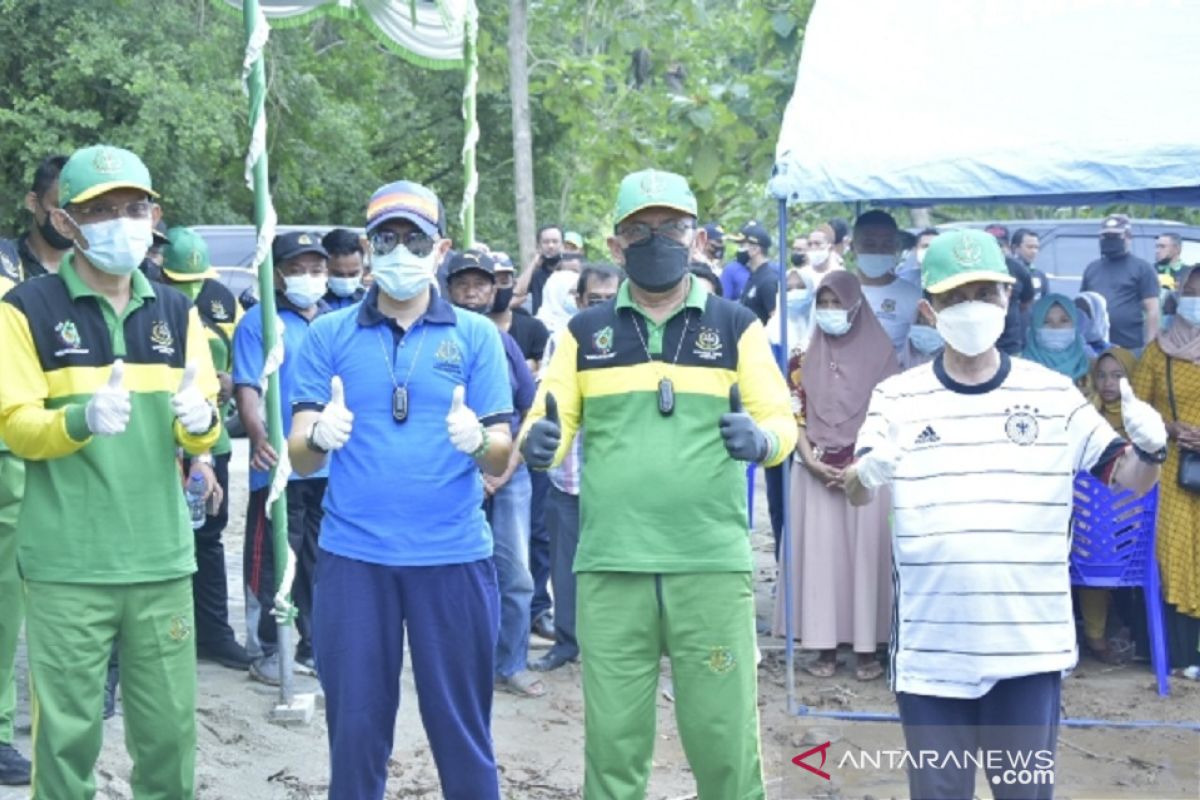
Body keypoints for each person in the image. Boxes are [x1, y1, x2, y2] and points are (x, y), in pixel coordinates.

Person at [845, 228, 1165, 799]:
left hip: (1027, 648)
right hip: (932, 648)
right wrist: (862, 476)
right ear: (929, 309)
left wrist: (1151, 451)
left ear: (1009, 298)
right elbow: (857, 489)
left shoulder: (1054, 395)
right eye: (954, 297)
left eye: (986, 293)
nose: (972, 308)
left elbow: (1128, 478)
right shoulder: (897, 397)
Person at [520, 169, 796, 798]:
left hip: (710, 566)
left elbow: (781, 420)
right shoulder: (583, 334)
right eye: (639, 230)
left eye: (670, 227)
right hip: (612, 566)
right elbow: (551, 417)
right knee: (613, 750)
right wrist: (542, 443)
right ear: (616, 247)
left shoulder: (736, 326)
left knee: (724, 744)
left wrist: (763, 441)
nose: (657, 240)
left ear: (695, 238)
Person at [0, 144, 223, 798]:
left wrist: (201, 423)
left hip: (160, 560)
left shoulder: (177, 312)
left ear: (155, 214)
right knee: (66, 740)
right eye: (100, 211)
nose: (120, 222)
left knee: (170, 737)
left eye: (133, 207)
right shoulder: (25, 310)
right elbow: (12, 422)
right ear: (65, 222)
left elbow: (200, 424)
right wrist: (77, 420)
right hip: (68, 564)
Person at [287, 179, 513, 799]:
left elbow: (502, 447)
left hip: (452, 556)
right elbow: (300, 456)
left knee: (462, 731)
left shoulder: (475, 335)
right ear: (367, 246)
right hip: (355, 559)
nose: (401, 251)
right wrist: (321, 436)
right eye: (388, 237)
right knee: (355, 731)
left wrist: (478, 441)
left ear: (440, 251)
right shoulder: (329, 334)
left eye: (416, 239)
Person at [775, 271, 898, 680]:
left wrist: (860, 463)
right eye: (823, 303)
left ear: (857, 306)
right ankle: (823, 647)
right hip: (813, 469)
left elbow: (891, 418)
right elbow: (793, 413)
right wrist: (810, 459)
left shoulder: (883, 354)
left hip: (867, 470)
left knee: (866, 558)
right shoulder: (801, 356)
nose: (830, 311)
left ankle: (868, 649)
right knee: (822, 560)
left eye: (838, 303)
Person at [0, 154, 75, 786]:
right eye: (58, 204)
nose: (68, 217)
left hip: (79, 456)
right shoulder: (3, 267)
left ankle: (59, 721)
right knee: (2, 602)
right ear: (35, 204)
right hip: (9, 452)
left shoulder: (97, 273)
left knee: (67, 602)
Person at [232, 231, 331, 682]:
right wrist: (258, 433)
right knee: (273, 556)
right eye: (297, 269)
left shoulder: (335, 320)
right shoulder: (261, 321)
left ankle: (313, 644)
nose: (308, 277)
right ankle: (268, 648)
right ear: (277, 274)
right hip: (279, 464)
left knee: (319, 556)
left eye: (316, 269)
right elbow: (248, 386)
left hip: (328, 460)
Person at [445, 249, 543, 697]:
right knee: (454, 574)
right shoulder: (434, 338)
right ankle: (462, 667)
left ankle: (512, 663)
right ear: (447, 287)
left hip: (509, 476)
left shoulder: (502, 341)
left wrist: (506, 468)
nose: (472, 291)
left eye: (481, 283)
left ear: (495, 288)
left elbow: (530, 407)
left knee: (515, 573)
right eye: (463, 282)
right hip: (453, 473)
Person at [160, 226, 252, 670]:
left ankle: (214, 634)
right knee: (162, 539)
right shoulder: (150, 293)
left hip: (210, 432)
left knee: (209, 534)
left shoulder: (220, 296)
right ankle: (161, 639)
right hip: (161, 438)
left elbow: (236, 354)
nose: (192, 291)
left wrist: (232, 382)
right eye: (182, 282)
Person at [531, 263, 622, 674]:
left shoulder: (635, 342)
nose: (600, 307)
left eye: (610, 299)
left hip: (619, 482)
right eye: (594, 299)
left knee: (619, 571)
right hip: (567, 477)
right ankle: (567, 643)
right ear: (578, 300)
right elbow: (551, 402)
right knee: (565, 569)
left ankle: (616, 649)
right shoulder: (563, 341)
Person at [1132, 266, 1200, 675]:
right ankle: (1181, 656)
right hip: (1174, 467)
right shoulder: (1159, 351)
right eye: (1191, 292)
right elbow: (1135, 410)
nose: (1195, 300)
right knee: (1173, 554)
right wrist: (1168, 427)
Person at [1080, 346, 1141, 663]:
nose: (1108, 383)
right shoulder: (1086, 419)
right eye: (1101, 375)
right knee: (1095, 547)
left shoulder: (1143, 423)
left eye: (1118, 376)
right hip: (1094, 524)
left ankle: (1131, 631)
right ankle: (1095, 636)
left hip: (1134, 524)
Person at [1081, 214, 1160, 352]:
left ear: (1128, 238)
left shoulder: (1142, 268)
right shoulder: (1091, 268)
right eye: (1106, 236)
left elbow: (1152, 309)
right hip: (1096, 346)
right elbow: (1083, 307)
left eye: (1115, 236)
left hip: (1131, 345)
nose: (1110, 240)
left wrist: (1150, 345)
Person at [853, 210, 922, 359]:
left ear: (896, 247)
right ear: (853, 247)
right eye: (869, 244)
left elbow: (921, 349)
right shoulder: (836, 292)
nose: (878, 251)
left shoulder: (913, 297)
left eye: (887, 244)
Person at [0, 155, 73, 284]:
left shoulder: (99, 269)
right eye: (60, 207)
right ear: (32, 202)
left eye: (77, 209)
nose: (68, 218)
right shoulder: (6, 262)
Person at [1021, 293, 1094, 393]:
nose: (1055, 327)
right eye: (1046, 321)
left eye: (1064, 321)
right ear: (1034, 327)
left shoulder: (1094, 368)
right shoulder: (1016, 367)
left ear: (1075, 326)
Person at [734, 221, 779, 326]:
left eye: (742, 245)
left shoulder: (768, 280)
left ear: (755, 249)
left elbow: (775, 318)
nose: (739, 250)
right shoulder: (754, 276)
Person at [513, 223, 564, 313]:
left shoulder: (570, 273)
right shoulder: (536, 275)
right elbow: (517, 291)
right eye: (546, 242)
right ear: (539, 246)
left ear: (562, 245)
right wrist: (534, 262)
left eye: (555, 241)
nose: (551, 246)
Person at [322, 227, 367, 309]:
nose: (346, 280)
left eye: (353, 274)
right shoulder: (311, 303)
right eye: (338, 274)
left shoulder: (371, 302)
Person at [1010, 228, 1048, 302]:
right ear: (1015, 248)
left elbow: (1045, 303)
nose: (1034, 251)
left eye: (1036, 247)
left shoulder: (1040, 275)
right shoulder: (1007, 273)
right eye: (1029, 247)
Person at [798, 223, 841, 287]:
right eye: (810, 244)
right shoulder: (801, 275)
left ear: (830, 248)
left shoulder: (839, 275)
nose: (813, 248)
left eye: (817, 244)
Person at [1074, 291, 1113, 356]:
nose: (1080, 317)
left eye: (1086, 311)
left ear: (1099, 316)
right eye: (1076, 310)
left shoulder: (1113, 352)